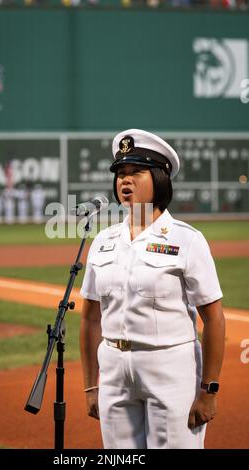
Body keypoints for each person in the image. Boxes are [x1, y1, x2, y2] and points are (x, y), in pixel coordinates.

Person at [79, 129, 225, 449]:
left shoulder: (187, 239)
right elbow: (90, 319)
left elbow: (214, 319)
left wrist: (208, 390)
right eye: (120, 173)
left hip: (170, 367)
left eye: (136, 172)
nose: (124, 180)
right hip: (114, 368)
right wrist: (91, 386)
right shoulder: (103, 241)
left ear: (159, 179)